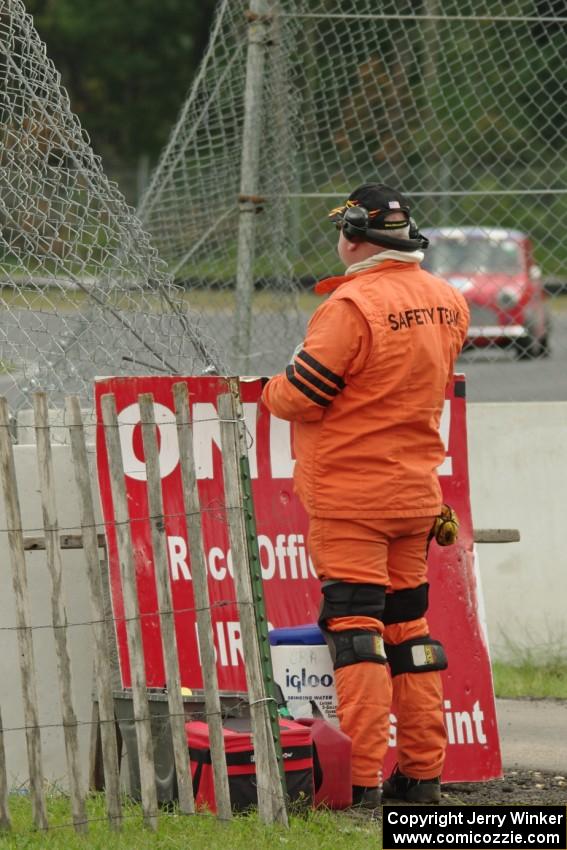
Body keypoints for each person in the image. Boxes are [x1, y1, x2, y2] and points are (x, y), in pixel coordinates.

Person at [261, 183, 470, 807]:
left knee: (357, 633)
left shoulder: (351, 306)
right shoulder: (448, 301)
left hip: (352, 499)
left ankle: (359, 784)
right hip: (416, 498)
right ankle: (423, 779)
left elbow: (301, 394)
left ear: (354, 235)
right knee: (410, 630)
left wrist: (270, 389)